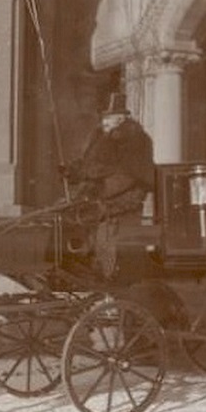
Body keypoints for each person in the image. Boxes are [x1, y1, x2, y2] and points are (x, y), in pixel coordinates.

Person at [58, 93, 155, 278]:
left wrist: (99, 193)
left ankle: (100, 271)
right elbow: (87, 166)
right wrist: (71, 171)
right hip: (96, 195)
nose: (105, 123)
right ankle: (71, 266)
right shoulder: (99, 137)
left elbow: (129, 176)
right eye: (104, 119)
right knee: (61, 212)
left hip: (120, 202)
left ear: (121, 119)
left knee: (89, 222)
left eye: (108, 119)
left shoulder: (136, 140)